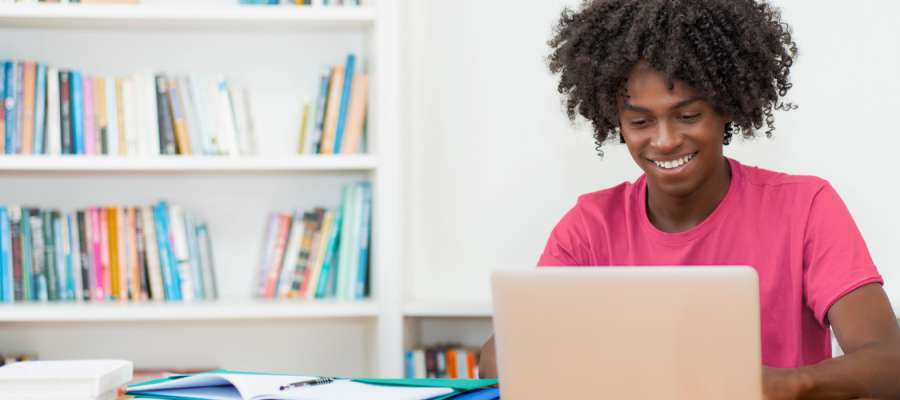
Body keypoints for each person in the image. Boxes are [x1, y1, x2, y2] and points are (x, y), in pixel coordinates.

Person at [477, 1, 900, 399]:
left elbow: (889, 362)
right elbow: (498, 359)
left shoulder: (806, 207)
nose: (664, 140)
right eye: (640, 121)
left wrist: (781, 385)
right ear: (616, 122)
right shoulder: (590, 226)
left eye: (688, 115)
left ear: (728, 107)